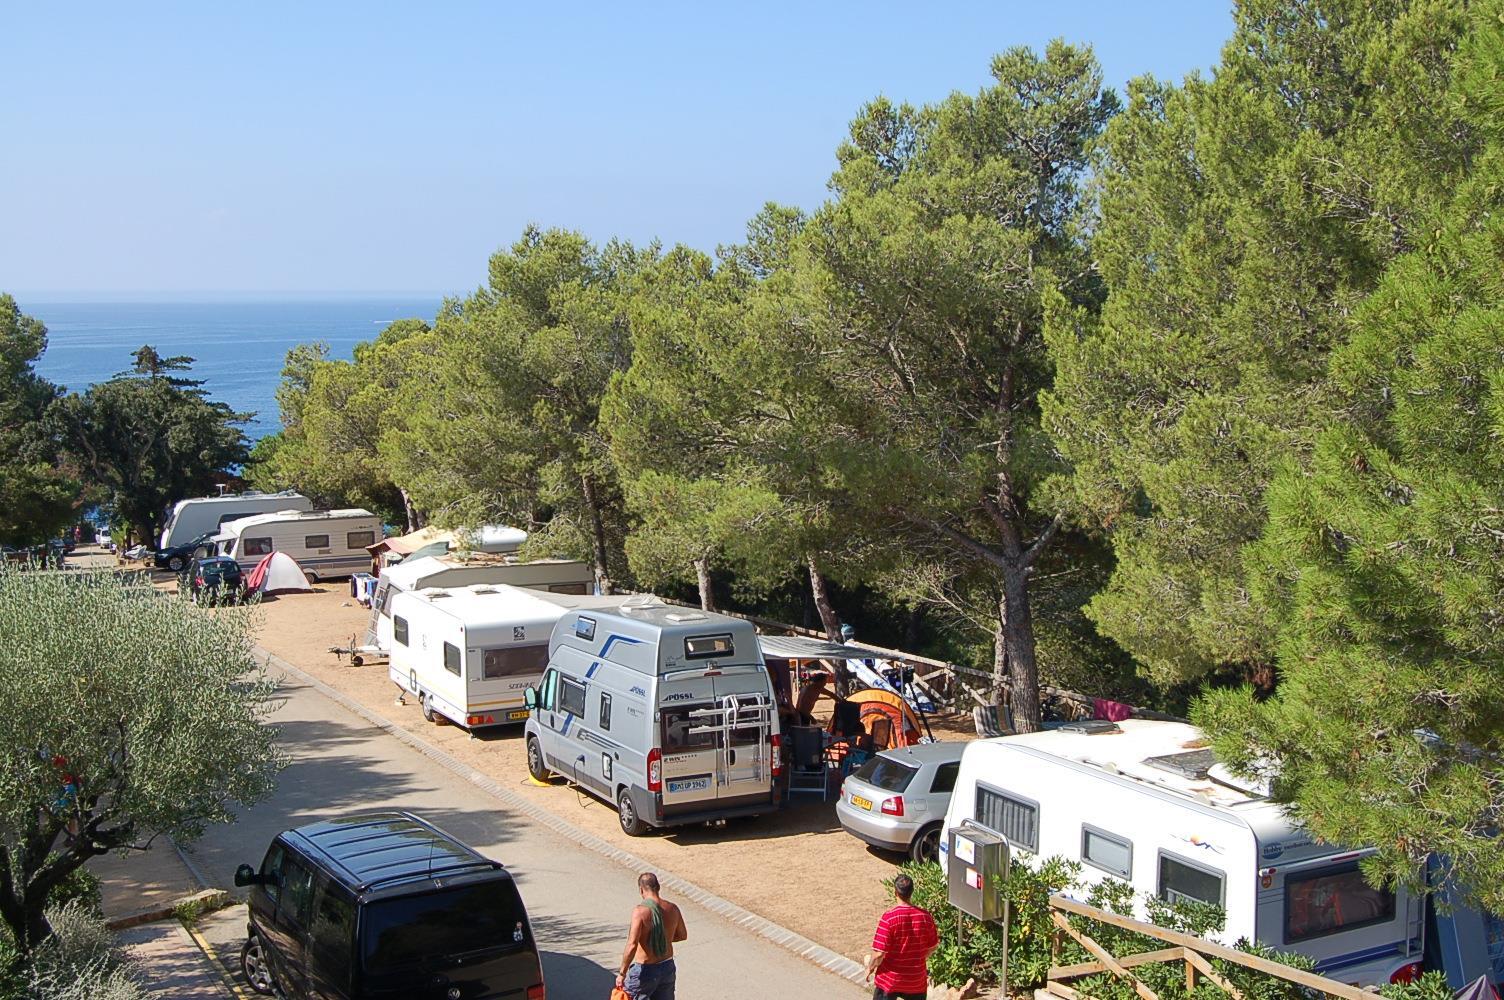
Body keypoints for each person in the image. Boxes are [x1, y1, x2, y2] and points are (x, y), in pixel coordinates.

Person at [865, 873, 939, 1000]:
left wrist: (870, 968)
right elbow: (933, 946)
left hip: (889, 981)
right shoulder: (925, 917)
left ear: (895, 892)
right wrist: (918, 958)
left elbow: (879, 953)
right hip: (916, 981)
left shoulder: (889, 918)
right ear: (912, 892)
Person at [617, 872, 686, 999]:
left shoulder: (640, 912)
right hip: (667, 966)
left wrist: (622, 973)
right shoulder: (673, 908)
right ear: (658, 887)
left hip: (645, 970)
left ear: (641, 889)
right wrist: (662, 941)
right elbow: (682, 935)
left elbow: (632, 945)